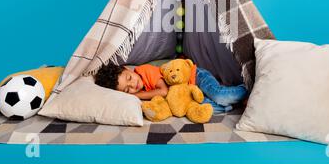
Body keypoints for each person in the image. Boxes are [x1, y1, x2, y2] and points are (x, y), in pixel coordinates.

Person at [94, 61, 248, 114]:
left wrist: (134, 95)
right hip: (190, 94)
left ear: (127, 69)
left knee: (220, 96)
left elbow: (164, 91)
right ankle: (237, 102)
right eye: (127, 89)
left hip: (195, 77)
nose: (133, 85)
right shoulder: (141, 94)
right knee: (207, 108)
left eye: (129, 78)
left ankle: (247, 88)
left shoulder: (144, 71)